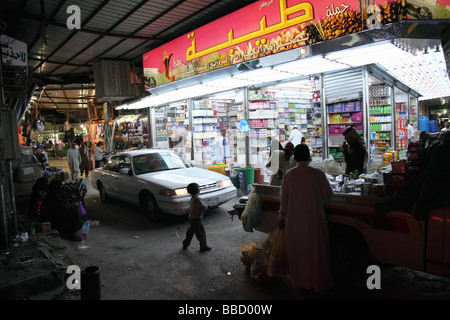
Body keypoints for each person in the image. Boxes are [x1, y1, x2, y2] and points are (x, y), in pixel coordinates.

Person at [278, 144, 334, 294]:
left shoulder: (289, 175)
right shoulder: (318, 174)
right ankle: (316, 282)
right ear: (309, 156)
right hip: (314, 219)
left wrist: (281, 216)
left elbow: (284, 201)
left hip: (294, 220)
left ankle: (300, 281)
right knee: (315, 251)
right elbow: (328, 194)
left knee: (297, 251)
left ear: (295, 157)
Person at [182, 182, 211, 252]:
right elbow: (202, 207)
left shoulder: (192, 198)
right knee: (200, 233)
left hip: (192, 217)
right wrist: (207, 206)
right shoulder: (197, 199)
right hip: (196, 219)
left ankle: (186, 243)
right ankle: (203, 246)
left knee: (191, 231)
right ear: (198, 190)